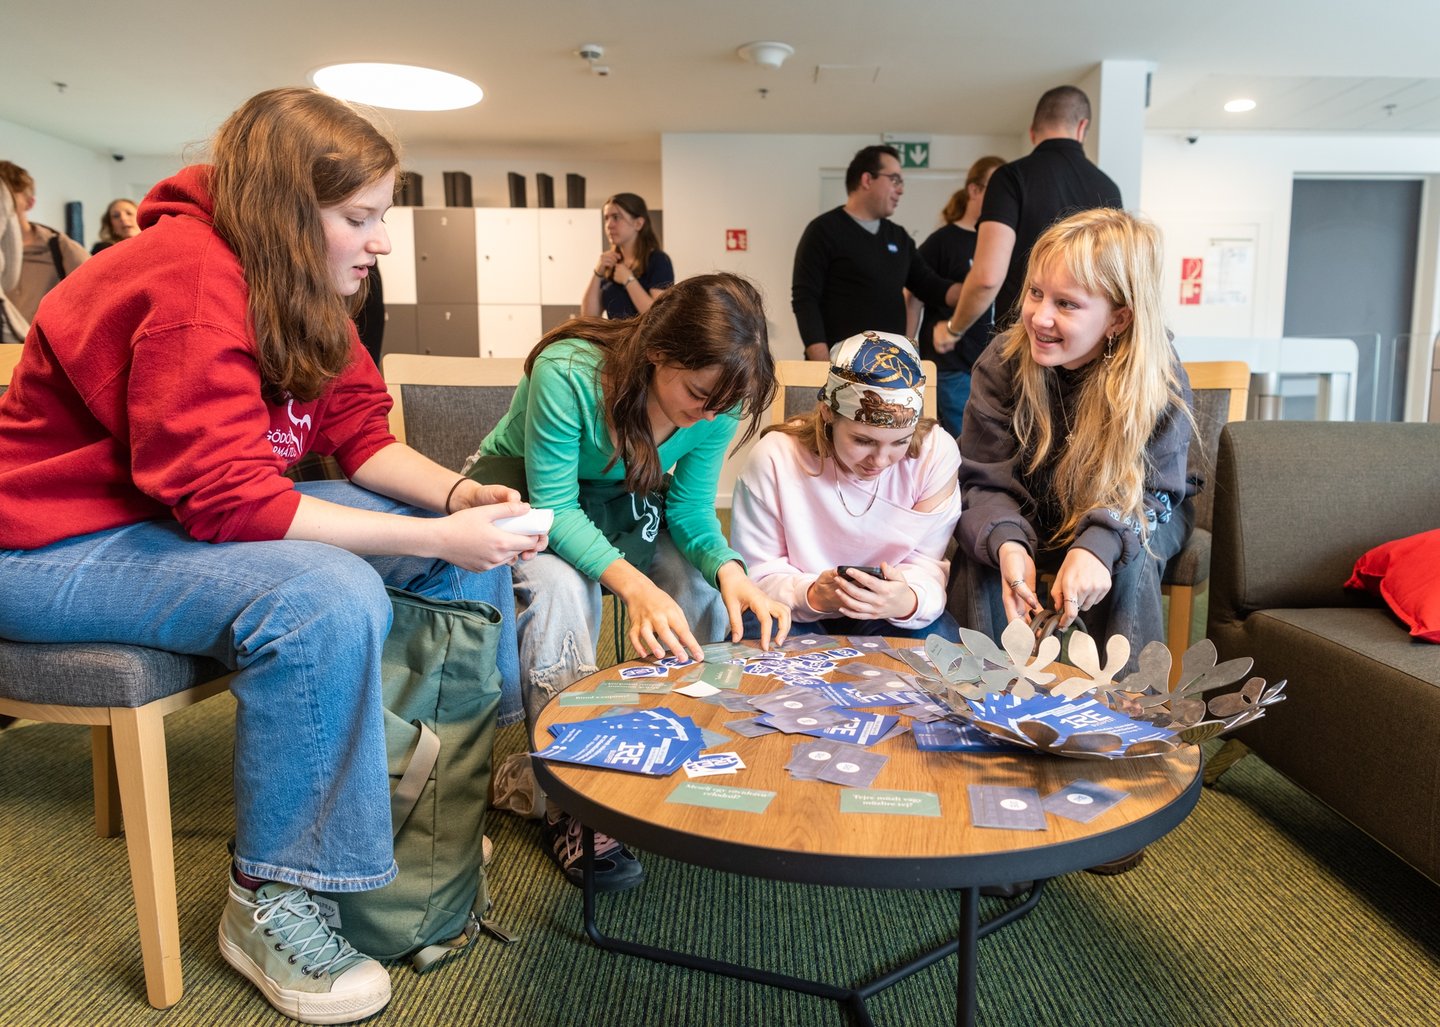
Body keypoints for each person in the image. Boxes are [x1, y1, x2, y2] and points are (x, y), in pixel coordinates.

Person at [0, 88, 544, 1025]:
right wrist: (429, 531)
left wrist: (459, 502)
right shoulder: (189, 282)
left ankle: (422, 813)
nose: (381, 241)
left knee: (465, 555)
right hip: (46, 547)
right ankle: (273, 895)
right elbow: (229, 501)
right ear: (290, 210)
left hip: (161, 518)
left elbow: (360, 436)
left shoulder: (298, 280)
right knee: (322, 594)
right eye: (359, 218)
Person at [465, 272, 790, 891]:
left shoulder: (718, 401)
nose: (709, 414)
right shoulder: (568, 372)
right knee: (563, 590)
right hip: (526, 496)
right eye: (698, 394)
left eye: (722, 405)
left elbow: (689, 511)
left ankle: (690, 747)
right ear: (658, 352)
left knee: (698, 588)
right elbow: (557, 508)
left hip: (622, 496)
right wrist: (636, 590)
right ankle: (572, 794)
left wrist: (729, 568)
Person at [958, 207, 1193, 673]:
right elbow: (984, 479)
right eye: (1035, 293)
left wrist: (1099, 545)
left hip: (1139, 507)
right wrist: (1006, 543)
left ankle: (1130, 705)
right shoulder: (1002, 361)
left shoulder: (1157, 375)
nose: (1040, 317)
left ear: (1118, 319)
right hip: (1032, 509)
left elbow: (1154, 492)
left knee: (1131, 557)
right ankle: (976, 689)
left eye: (1066, 304)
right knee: (979, 549)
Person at [731, 331, 962, 641]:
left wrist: (908, 600)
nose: (880, 460)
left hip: (889, 612)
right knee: (760, 632)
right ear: (827, 412)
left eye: (899, 442)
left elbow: (927, 564)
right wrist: (812, 595)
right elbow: (756, 575)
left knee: (939, 648)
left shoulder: (934, 455)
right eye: (863, 441)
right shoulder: (775, 457)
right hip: (792, 604)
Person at [934, 86, 1122, 353]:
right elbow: (1113, 281)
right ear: (1082, 127)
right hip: (1086, 347)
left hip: (1025, 341)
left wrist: (953, 329)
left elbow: (987, 277)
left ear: (1033, 132)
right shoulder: (1109, 188)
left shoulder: (1010, 178)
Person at [792, 144, 960, 361]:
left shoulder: (898, 238)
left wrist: (978, 290)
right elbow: (805, 299)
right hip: (838, 366)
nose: (901, 190)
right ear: (867, 180)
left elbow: (931, 286)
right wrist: (822, 364)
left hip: (887, 367)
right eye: (894, 180)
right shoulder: (824, 230)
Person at [907, 155, 1006, 437]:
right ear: (974, 190)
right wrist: (908, 350)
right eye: (996, 189)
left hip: (994, 364)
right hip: (952, 366)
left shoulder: (1001, 240)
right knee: (966, 443)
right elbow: (913, 295)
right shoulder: (942, 241)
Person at [0, 161, 88, 323]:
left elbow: (95, 296)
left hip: (45, 338)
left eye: (6, 197)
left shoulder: (60, 247)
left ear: (29, 203)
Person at [580, 192, 673, 319]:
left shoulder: (658, 260)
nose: (609, 225)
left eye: (616, 217)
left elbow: (659, 316)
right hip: (614, 333)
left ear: (638, 223)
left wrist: (628, 280)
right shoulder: (610, 264)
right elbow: (588, 317)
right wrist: (597, 273)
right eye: (606, 218)